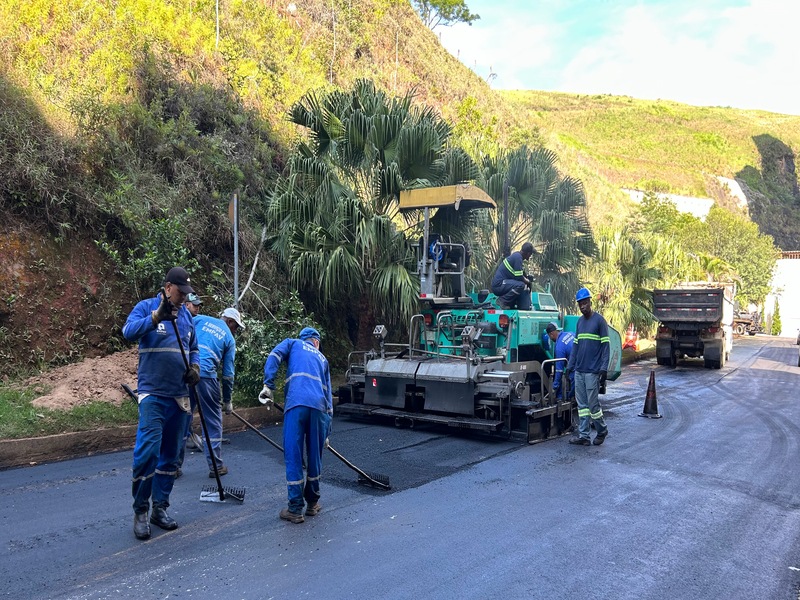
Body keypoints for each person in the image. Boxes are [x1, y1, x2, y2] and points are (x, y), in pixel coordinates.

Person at [122, 267, 200, 540]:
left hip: (180, 396)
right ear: (167, 288)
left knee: (170, 455)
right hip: (153, 394)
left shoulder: (187, 318)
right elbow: (128, 331)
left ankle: (160, 508)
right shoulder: (145, 307)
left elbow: (194, 348)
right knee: (148, 452)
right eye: (180, 293)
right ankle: (141, 509)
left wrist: (195, 367)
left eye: (186, 294)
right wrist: (155, 317)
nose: (182, 298)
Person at [259, 327, 333, 524]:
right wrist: (326, 432)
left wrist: (268, 385)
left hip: (296, 405)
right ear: (316, 342)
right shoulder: (322, 358)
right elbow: (328, 399)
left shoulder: (292, 343)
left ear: (303, 339)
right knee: (314, 457)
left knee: (293, 455)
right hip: (318, 409)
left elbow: (274, 356)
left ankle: (295, 509)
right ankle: (313, 504)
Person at [183, 307, 245, 478]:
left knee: (182, 417)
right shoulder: (229, 339)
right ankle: (216, 467)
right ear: (230, 322)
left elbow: (181, 326)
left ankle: (171, 467)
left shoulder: (200, 319)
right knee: (212, 422)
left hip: (186, 371)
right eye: (236, 327)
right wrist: (227, 401)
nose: (236, 331)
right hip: (206, 377)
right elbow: (228, 375)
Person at [565, 287, 609, 446]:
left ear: (590, 302)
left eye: (585, 303)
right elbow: (575, 347)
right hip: (579, 370)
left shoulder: (599, 321)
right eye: (580, 304)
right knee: (582, 406)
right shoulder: (580, 322)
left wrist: (604, 368)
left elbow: (606, 347)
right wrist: (570, 366)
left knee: (593, 405)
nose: (582, 306)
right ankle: (583, 436)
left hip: (592, 371)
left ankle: (602, 430)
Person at [491, 242, 534, 310]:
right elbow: (519, 277)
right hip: (499, 285)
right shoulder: (518, 257)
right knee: (520, 285)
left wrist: (527, 279)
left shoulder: (516, 256)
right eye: (530, 255)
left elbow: (520, 274)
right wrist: (528, 281)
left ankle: (509, 303)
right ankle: (502, 301)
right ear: (528, 253)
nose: (530, 256)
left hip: (501, 284)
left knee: (519, 285)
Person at [545, 322, 575, 400]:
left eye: (549, 336)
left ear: (551, 334)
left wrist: (554, 387)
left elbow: (559, 370)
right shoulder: (570, 334)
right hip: (585, 363)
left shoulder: (559, 347)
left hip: (576, 369)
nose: (550, 339)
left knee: (573, 394)